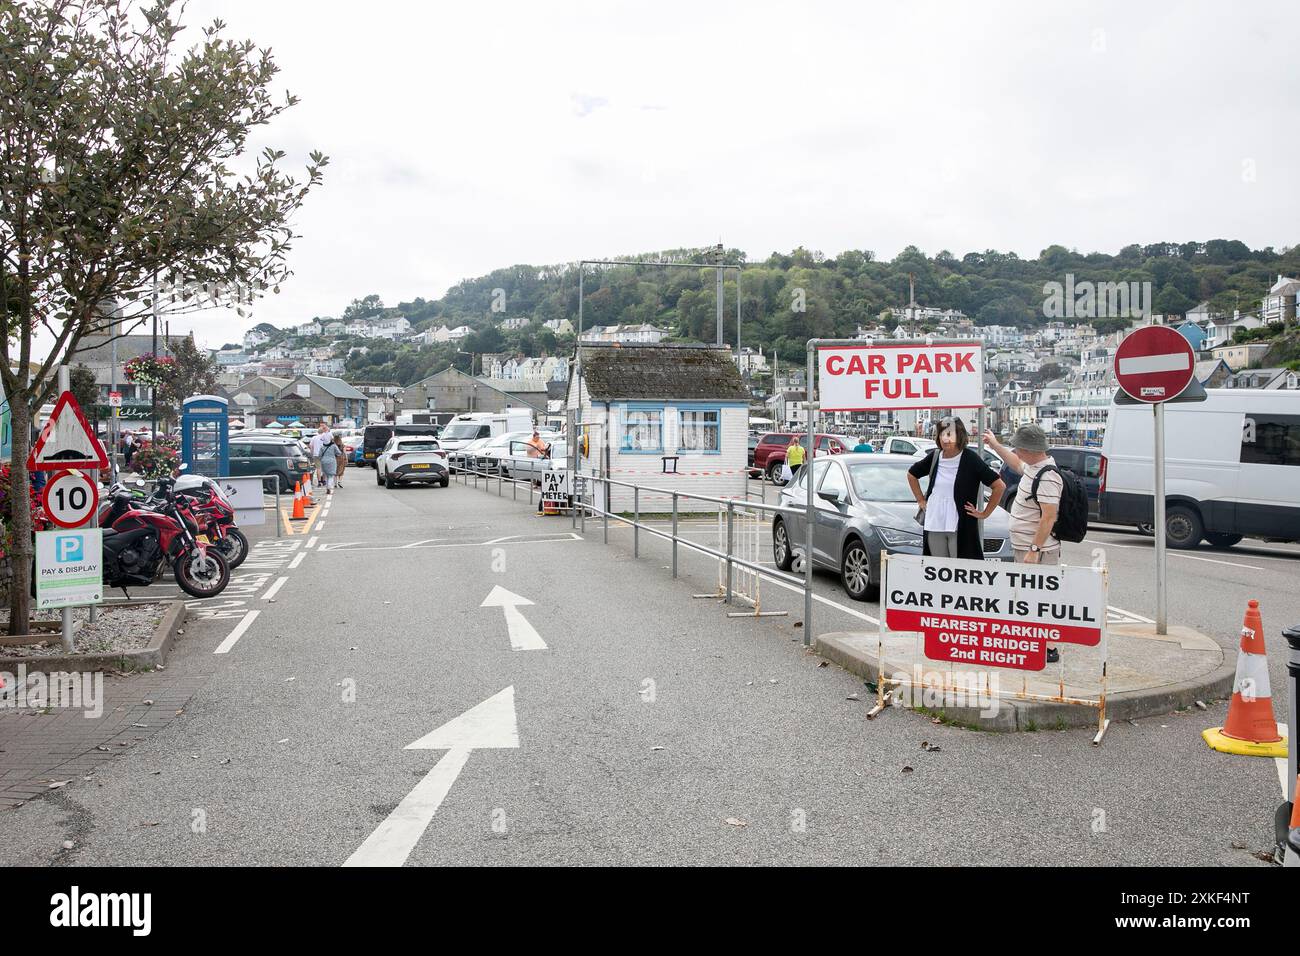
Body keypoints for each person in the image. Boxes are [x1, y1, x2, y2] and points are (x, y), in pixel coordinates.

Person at [984, 423, 1063, 662]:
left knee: (1041, 599)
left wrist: (1034, 549)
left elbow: (1049, 516)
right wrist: (996, 445)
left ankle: (1048, 648)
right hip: (1026, 547)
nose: (1016, 451)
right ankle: (1033, 643)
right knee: (1027, 597)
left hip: (1038, 550)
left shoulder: (1048, 476)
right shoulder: (1034, 468)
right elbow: (1016, 464)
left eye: (1019, 447)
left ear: (1030, 449)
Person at [907, 418, 1006, 560]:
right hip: (934, 522)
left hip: (961, 524)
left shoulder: (970, 458)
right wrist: (921, 500)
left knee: (961, 569)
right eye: (942, 434)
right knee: (937, 568)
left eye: (949, 435)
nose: (945, 439)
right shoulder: (935, 456)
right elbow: (912, 475)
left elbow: (999, 486)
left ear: (959, 436)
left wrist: (985, 513)